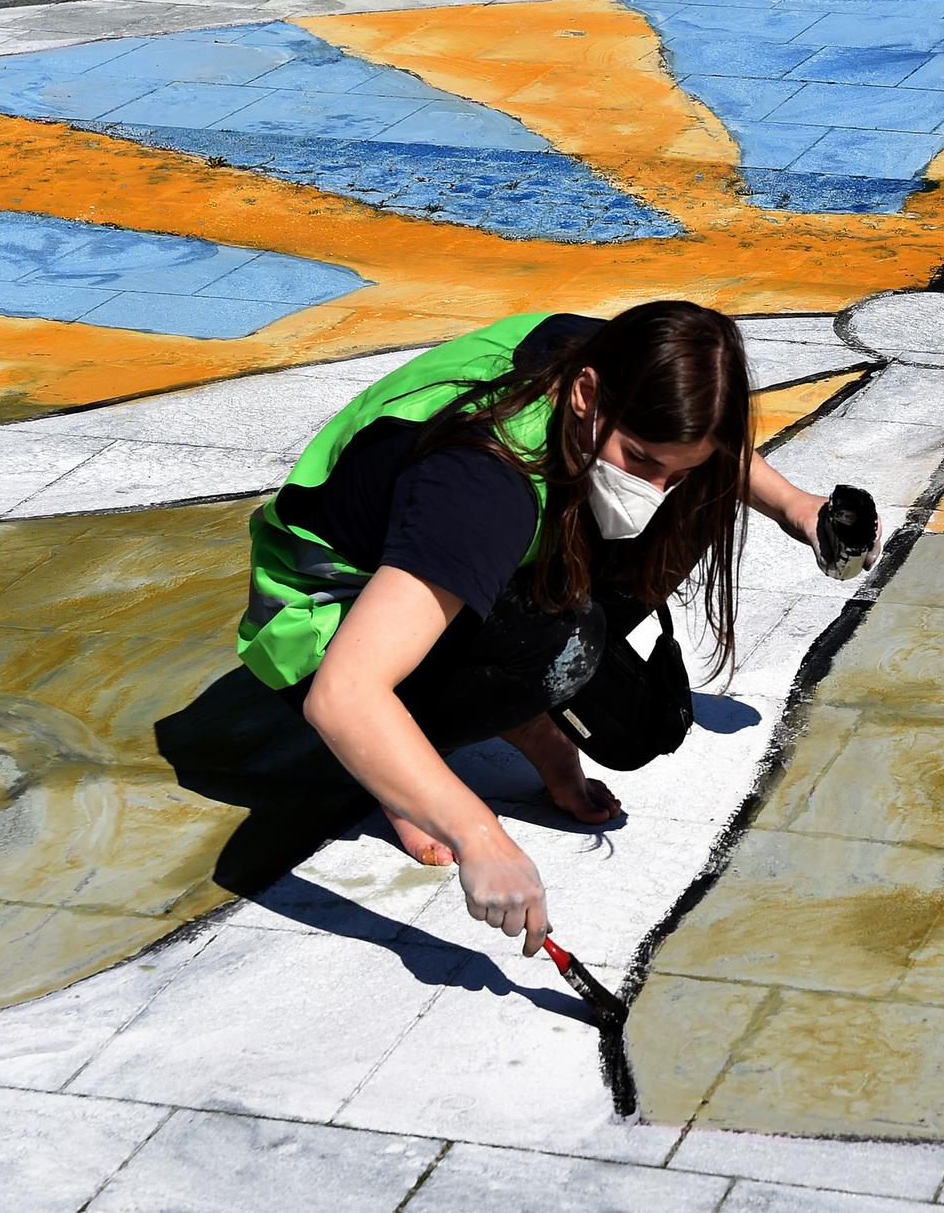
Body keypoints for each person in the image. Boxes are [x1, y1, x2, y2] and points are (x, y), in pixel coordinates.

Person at [234, 301, 870, 956]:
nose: (655, 487)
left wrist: (797, 506)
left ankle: (507, 711)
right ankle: (403, 762)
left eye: (674, 469)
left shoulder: (618, 359)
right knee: (562, 650)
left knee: (676, 535)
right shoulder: (482, 485)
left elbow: (697, 443)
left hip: (439, 544)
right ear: (587, 393)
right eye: (641, 459)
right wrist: (477, 834)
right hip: (324, 626)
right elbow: (344, 695)